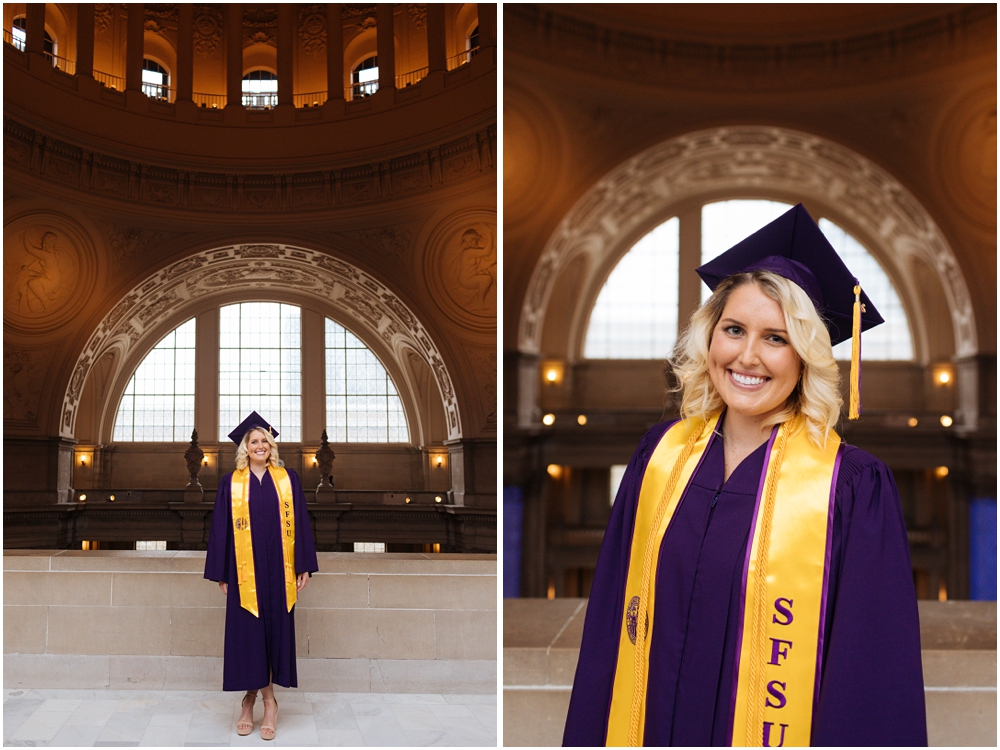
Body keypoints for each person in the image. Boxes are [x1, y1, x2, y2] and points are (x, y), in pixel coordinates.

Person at [563, 204, 926, 747]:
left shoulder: (850, 487)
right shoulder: (659, 459)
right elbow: (610, 633)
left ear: (806, 356)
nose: (747, 356)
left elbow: (869, 679)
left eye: (776, 338)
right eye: (734, 329)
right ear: (710, 339)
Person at [205, 411, 319, 741]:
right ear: (245, 447)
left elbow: (300, 523)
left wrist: (303, 565)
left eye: (265, 441)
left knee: (272, 635)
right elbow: (221, 529)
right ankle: (259, 699)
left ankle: (259, 700)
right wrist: (223, 573)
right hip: (245, 575)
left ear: (271, 447)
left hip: (278, 574)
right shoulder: (231, 482)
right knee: (248, 637)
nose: (260, 446)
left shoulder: (288, 479)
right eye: (254, 441)